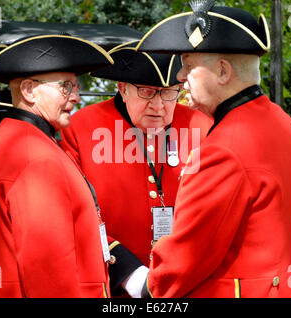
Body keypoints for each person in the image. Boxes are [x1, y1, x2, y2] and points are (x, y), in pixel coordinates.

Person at [130, 1, 291, 297]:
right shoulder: (281, 121)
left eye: (188, 66)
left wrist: (147, 287)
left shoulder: (223, 147)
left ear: (223, 72)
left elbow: (189, 256)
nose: (180, 77)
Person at [59, 41, 212, 296]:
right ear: (122, 88)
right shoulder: (80, 129)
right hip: (114, 283)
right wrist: (130, 274)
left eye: (169, 92)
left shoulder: (202, 127)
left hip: (187, 283)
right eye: (147, 92)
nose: (158, 105)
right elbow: (72, 212)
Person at [0, 34, 114, 297]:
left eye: (75, 86)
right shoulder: (33, 156)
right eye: (65, 87)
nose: (76, 96)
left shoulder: (19, 138)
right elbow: (49, 273)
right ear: (28, 90)